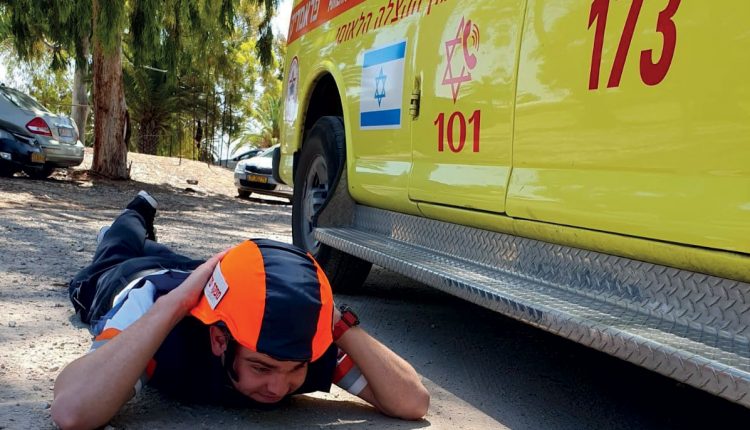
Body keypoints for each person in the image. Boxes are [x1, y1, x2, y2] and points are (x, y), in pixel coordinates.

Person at [52, 191, 429, 429]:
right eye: (261, 367)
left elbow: (413, 401)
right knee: (118, 248)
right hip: (131, 277)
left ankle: (150, 242)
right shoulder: (155, 310)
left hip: (215, 279)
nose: (279, 388)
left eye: (295, 369)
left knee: (166, 255)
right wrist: (175, 304)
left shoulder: (302, 342)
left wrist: (336, 321)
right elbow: (72, 412)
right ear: (219, 338)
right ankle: (135, 212)